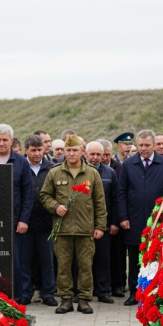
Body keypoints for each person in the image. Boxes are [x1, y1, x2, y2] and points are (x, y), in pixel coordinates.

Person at [40, 134, 107, 314]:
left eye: (74, 150)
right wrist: (55, 207)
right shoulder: (55, 172)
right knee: (63, 266)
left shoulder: (92, 173)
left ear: (81, 151)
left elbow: (100, 202)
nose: (71, 154)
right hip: (62, 230)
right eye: (68, 150)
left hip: (86, 230)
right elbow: (44, 195)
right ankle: (66, 299)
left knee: (86, 265)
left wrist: (100, 226)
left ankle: (84, 299)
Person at [0, 124, 34, 304]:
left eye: (5, 140)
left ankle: (15, 299)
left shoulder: (22, 162)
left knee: (15, 263)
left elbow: (28, 193)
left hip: (14, 221)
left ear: (11, 140)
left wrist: (23, 220)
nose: (1, 143)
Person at [118, 130, 163, 305]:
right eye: (141, 145)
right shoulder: (128, 164)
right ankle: (134, 293)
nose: (143, 149)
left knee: (156, 258)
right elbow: (121, 192)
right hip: (134, 220)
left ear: (153, 145)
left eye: (147, 145)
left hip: (157, 220)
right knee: (135, 257)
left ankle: (154, 292)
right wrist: (123, 217)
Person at [21, 135, 56, 306]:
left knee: (47, 260)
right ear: (25, 150)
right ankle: (26, 292)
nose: (37, 153)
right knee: (25, 259)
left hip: (46, 221)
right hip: (24, 222)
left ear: (44, 150)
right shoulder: (19, 166)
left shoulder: (52, 168)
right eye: (33, 150)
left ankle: (48, 292)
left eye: (39, 150)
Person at [85, 142, 118, 304]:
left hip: (103, 224)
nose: (96, 157)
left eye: (99, 154)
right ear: (86, 154)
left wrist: (114, 223)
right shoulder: (80, 172)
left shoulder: (110, 173)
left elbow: (115, 200)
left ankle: (103, 291)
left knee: (103, 260)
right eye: (92, 154)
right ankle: (84, 291)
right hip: (83, 226)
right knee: (83, 261)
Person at [99, 139, 126, 297]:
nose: (104, 158)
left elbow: (117, 198)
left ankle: (117, 285)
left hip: (111, 221)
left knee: (115, 256)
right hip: (94, 223)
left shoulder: (116, 169)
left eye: (106, 154)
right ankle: (101, 287)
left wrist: (116, 221)